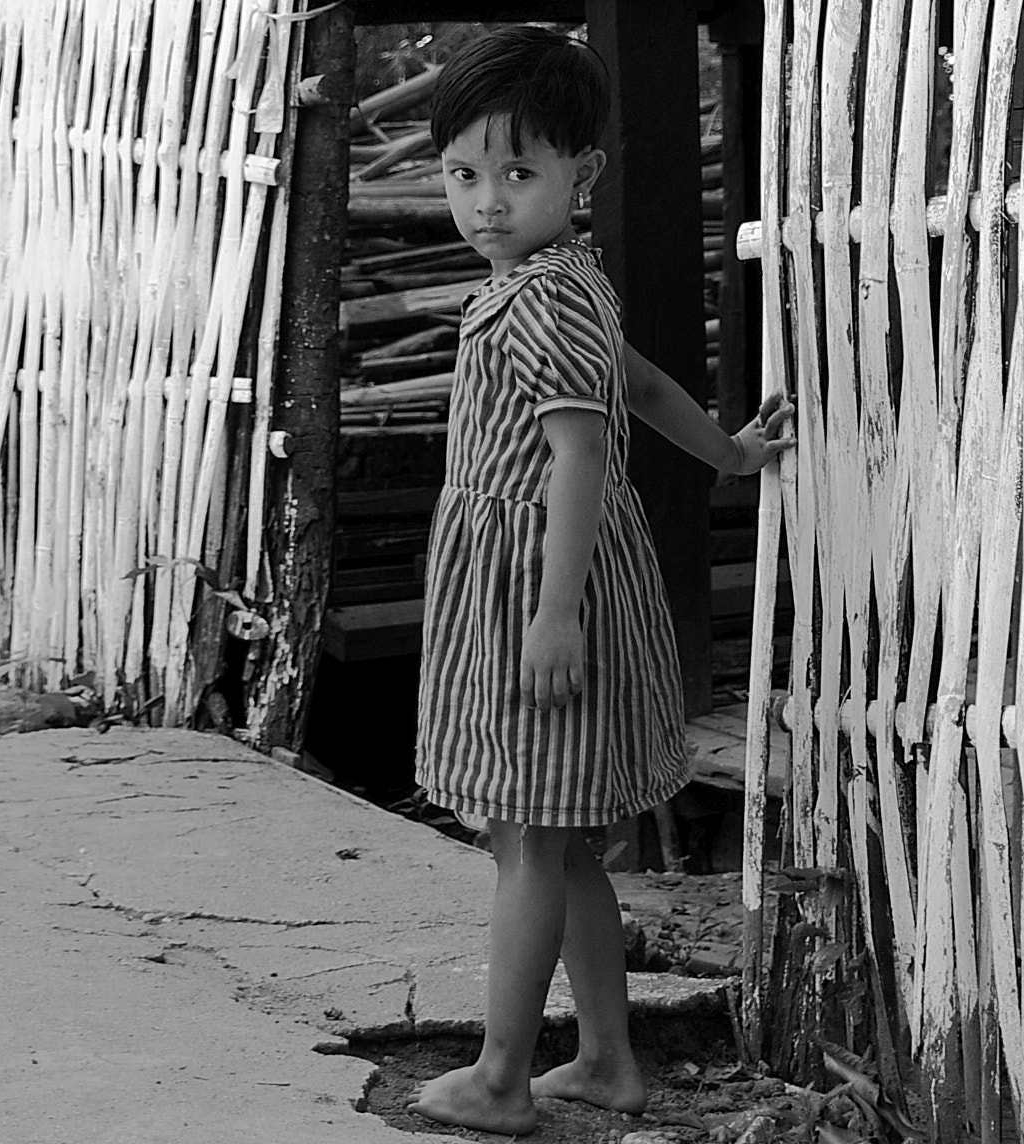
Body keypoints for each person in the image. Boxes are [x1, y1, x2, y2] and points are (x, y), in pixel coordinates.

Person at [403, 26, 794, 1136]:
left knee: (527, 835)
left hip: (541, 578)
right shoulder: (556, 280)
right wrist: (726, 451)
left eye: (518, 173)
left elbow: (580, 450)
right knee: (551, 830)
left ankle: (499, 1078)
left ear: (585, 174)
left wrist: (555, 612)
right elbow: (639, 388)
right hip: (524, 578)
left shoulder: (548, 298)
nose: (486, 201)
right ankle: (610, 1058)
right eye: (463, 174)